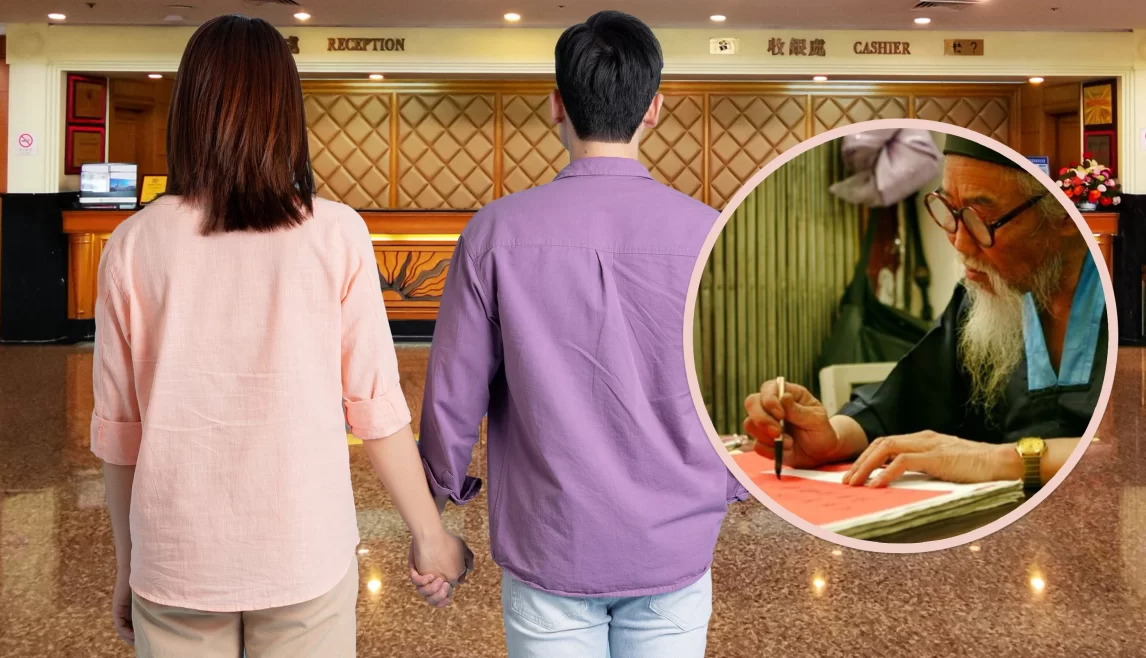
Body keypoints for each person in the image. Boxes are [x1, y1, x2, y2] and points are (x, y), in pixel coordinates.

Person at [91, 15, 469, 658]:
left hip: (176, 557)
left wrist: (128, 562)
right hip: (303, 549)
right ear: (285, 115)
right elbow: (374, 407)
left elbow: (121, 432)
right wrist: (430, 536)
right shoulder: (337, 234)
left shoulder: (131, 245)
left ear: (188, 112)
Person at [410, 10, 747, 658]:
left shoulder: (494, 233)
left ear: (555, 106)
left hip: (550, 545)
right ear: (654, 109)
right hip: (673, 543)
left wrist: (433, 520)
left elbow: (453, 399)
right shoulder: (713, 236)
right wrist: (724, 488)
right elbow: (742, 389)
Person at [745, 134, 1105, 491]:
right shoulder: (981, 297)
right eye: (950, 212)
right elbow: (908, 398)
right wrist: (832, 438)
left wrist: (1000, 459)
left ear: (1063, 217)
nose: (961, 245)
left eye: (983, 220)